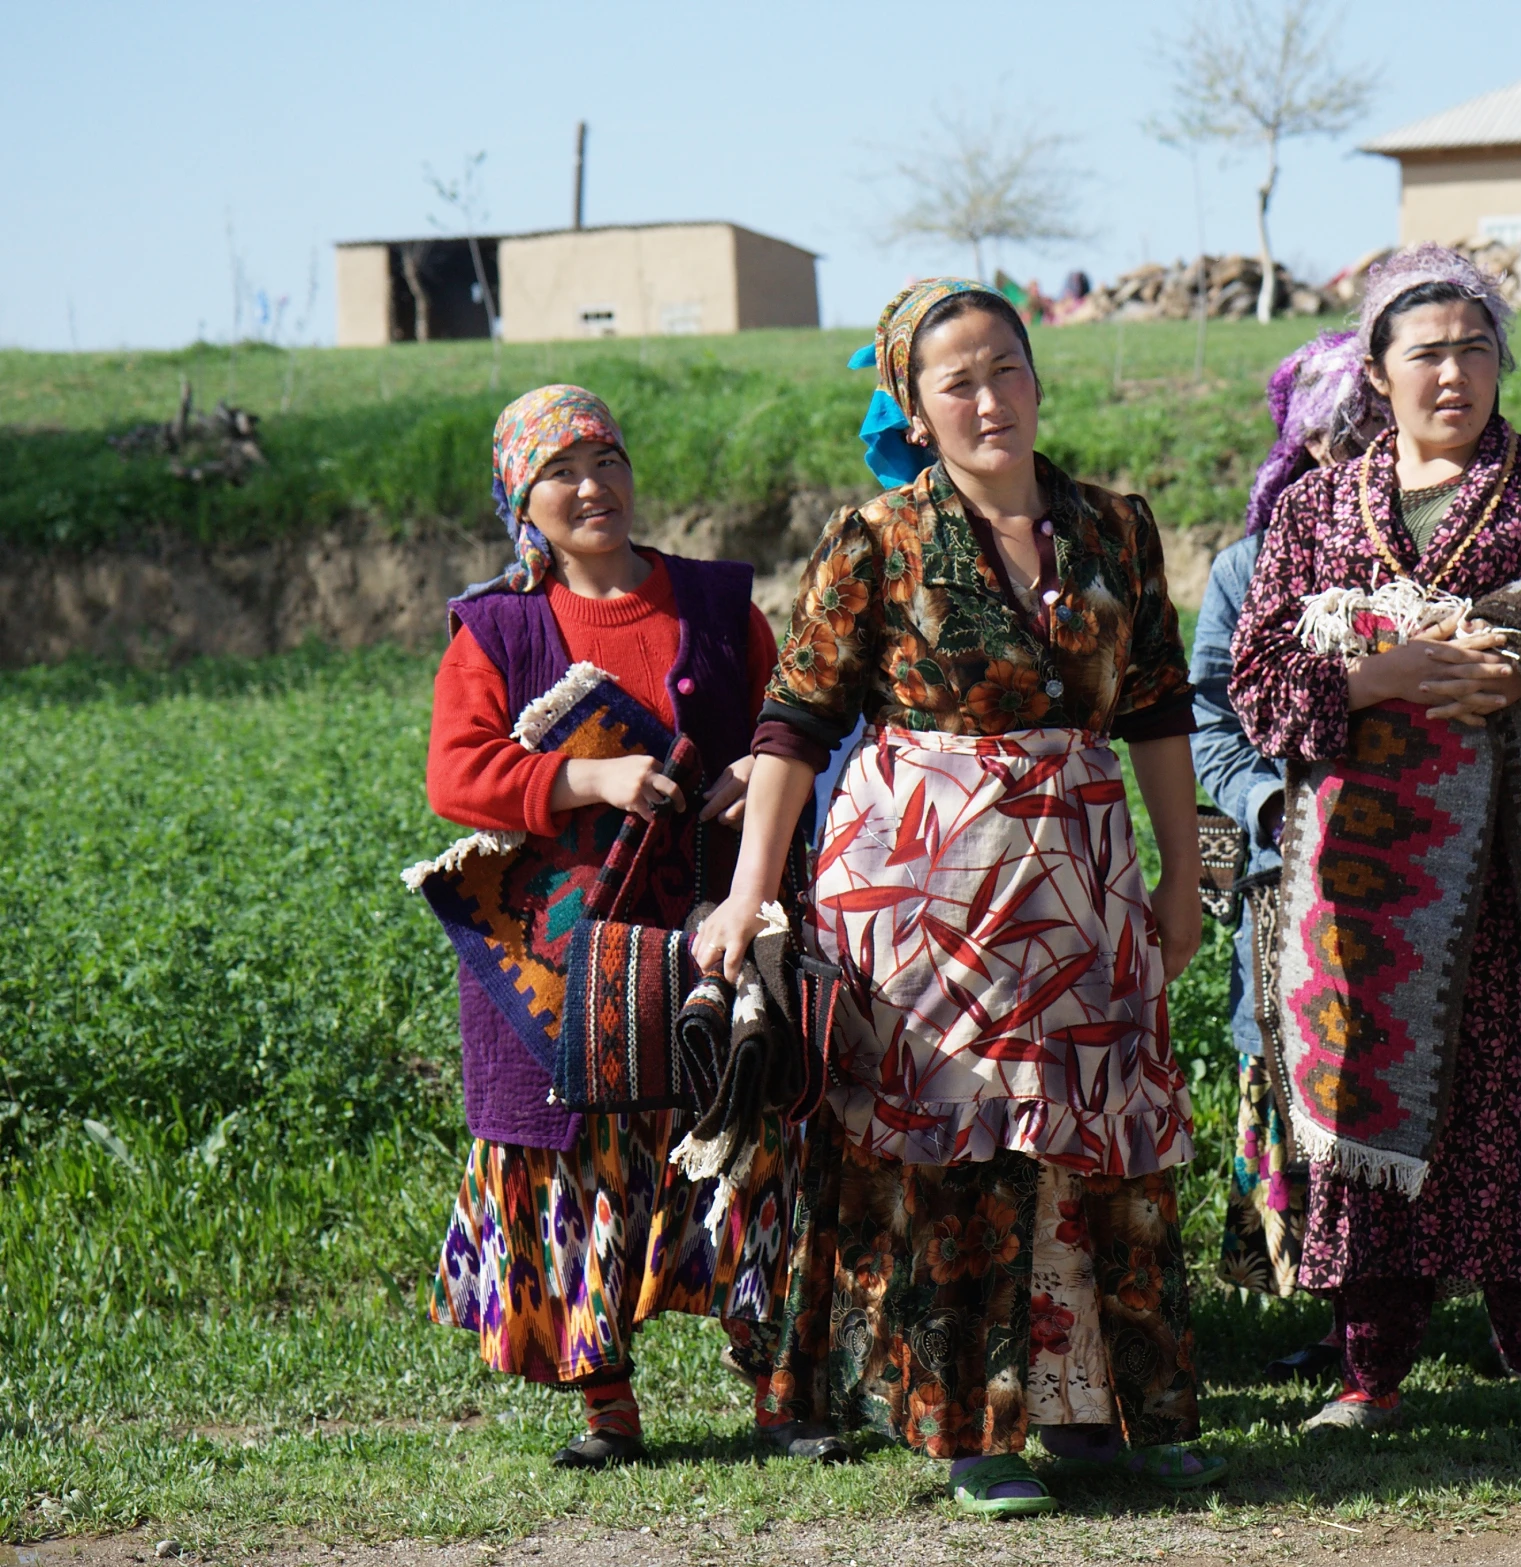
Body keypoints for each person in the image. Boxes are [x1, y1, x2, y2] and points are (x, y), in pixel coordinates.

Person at [692, 279, 1221, 1517]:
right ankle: (967, 1429)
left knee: (1100, 1138)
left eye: (1007, 368)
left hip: (1083, 880)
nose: (990, 398)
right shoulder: (874, 538)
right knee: (958, 1145)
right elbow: (792, 724)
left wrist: (1185, 878)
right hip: (924, 889)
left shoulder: (1117, 529)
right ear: (915, 411)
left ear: (1039, 377)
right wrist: (747, 896)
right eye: (956, 381)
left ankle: (1092, 1407)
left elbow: (1153, 713)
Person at [1228, 245, 1521, 1457]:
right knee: (1366, 1090)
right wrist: (1382, 676)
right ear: (1376, 368)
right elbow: (1259, 677)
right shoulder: (1314, 510)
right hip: (1364, 873)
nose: (1454, 372)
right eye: (1427, 351)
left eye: (1475, 347)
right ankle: (1369, 1372)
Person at [425, 385, 792, 1469]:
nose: (592, 487)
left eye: (608, 460)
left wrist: (755, 775)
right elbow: (458, 771)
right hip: (567, 947)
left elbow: (795, 721)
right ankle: (608, 1406)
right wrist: (588, 774)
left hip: (714, 920)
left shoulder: (719, 610)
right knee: (578, 1155)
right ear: (520, 502)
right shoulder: (497, 626)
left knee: (738, 1129)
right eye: (561, 472)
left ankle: (777, 1388)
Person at [1193, 331, 1385, 1368]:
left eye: (1371, 441)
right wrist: (1276, 810)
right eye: (1332, 444)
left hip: (1421, 864)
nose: (1350, 466)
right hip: (1289, 877)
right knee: (1302, 1072)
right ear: (1297, 446)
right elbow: (1208, 724)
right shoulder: (1243, 570)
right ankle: (1334, 1307)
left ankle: (1443, 1296)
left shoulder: (1430, 566)